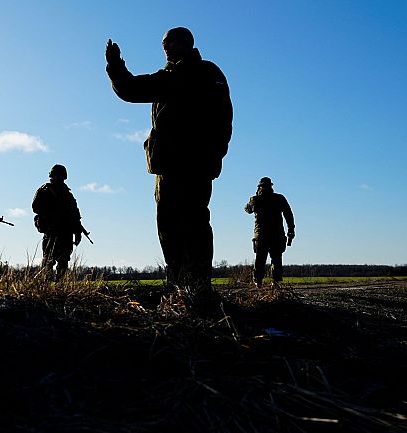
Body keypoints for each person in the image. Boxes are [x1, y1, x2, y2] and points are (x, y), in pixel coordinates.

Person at [105, 27, 233, 291]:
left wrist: (115, 65)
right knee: (195, 222)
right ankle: (195, 286)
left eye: (169, 43)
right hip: (199, 165)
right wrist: (214, 156)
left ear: (184, 44)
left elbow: (131, 89)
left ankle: (181, 285)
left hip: (177, 165)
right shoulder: (211, 73)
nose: (165, 48)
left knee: (174, 225)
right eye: (164, 44)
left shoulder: (178, 75)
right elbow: (225, 121)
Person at [32, 164, 85, 278]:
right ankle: (46, 285)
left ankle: (59, 286)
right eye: (56, 176)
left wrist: (77, 232)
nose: (58, 178)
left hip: (65, 231)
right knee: (48, 260)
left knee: (63, 261)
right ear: (52, 176)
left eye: (60, 176)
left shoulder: (68, 195)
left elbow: (75, 215)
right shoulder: (44, 191)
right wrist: (51, 212)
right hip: (51, 230)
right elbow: (35, 208)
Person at [244, 177, 295, 287]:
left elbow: (247, 209)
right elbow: (288, 215)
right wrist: (291, 229)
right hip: (277, 235)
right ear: (271, 187)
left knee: (260, 260)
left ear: (260, 187)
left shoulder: (255, 200)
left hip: (261, 236)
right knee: (276, 259)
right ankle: (275, 283)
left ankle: (258, 282)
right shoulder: (279, 198)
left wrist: (255, 196)